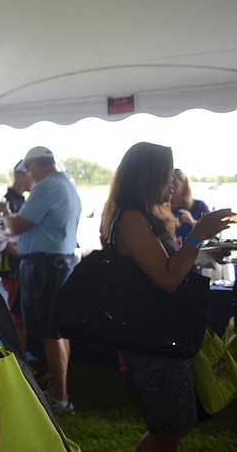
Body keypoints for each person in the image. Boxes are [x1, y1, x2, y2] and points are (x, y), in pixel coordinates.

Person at [99, 142, 232, 452]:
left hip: (162, 333)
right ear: (149, 176)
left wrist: (207, 254)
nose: (174, 181)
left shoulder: (145, 216)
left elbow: (165, 265)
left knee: (177, 425)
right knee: (167, 429)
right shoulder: (132, 219)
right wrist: (199, 232)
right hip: (152, 338)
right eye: (168, 174)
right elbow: (168, 278)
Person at [3, 146, 81, 415]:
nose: (27, 174)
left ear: (35, 165)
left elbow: (16, 226)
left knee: (50, 333)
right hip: (59, 261)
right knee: (57, 331)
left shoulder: (46, 187)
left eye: (28, 168)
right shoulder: (65, 185)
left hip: (45, 265)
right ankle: (62, 392)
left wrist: (5, 213)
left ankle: (60, 398)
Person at [0, 160, 34, 354]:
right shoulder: (9, 201)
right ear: (25, 175)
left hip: (20, 265)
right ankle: (22, 358)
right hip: (14, 268)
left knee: (21, 315)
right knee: (17, 317)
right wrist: (22, 255)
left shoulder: (22, 200)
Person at [170, 168, 211, 242]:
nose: (171, 187)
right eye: (168, 184)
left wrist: (193, 222)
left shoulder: (199, 206)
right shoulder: (162, 208)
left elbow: (211, 232)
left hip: (195, 249)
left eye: (175, 184)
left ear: (184, 185)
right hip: (170, 251)